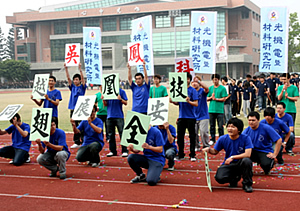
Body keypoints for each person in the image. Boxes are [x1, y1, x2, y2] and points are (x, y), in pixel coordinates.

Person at [203, 118, 253, 193]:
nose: (230, 129)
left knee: (247, 161)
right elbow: (215, 151)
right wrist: (209, 149)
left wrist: (232, 157)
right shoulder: (223, 138)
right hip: (229, 163)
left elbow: (248, 154)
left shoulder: (246, 138)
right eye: (228, 126)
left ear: (239, 130)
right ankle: (234, 179)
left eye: (233, 127)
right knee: (219, 178)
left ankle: (247, 184)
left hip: (240, 162)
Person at [170, 72, 198, 161]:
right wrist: (172, 101)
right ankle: (181, 154)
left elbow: (196, 104)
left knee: (192, 137)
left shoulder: (193, 90)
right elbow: (177, 103)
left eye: (188, 79)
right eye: (184, 79)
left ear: (189, 80)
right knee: (180, 137)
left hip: (191, 117)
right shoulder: (179, 89)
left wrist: (189, 101)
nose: (186, 80)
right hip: (181, 116)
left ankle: (192, 154)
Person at [65, 63, 86, 149]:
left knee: (82, 125)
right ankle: (77, 141)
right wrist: (66, 69)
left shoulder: (82, 87)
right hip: (73, 108)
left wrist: (80, 69)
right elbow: (68, 79)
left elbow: (83, 80)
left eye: (77, 79)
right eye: (74, 79)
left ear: (80, 80)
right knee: (74, 125)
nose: (75, 81)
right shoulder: (72, 87)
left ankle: (84, 141)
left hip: (80, 108)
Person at [103, 87, 128, 157]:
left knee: (122, 133)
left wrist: (120, 99)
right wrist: (103, 99)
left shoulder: (121, 91)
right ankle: (112, 151)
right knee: (110, 135)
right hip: (109, 116)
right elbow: (105, 104)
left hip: (119, 115)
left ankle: (125, 150)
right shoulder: (107, 91)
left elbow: (126, 102)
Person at [207, 74, 228, 145]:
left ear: (218, 80)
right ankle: (212, 139)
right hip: (211, 110)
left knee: (220, 126)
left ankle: (221, 139)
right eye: (213, 80)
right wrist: (210, 98)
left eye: (216, 79)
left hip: (219, 110)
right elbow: (206, 98)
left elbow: (224, 98)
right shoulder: (210, 88)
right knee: (212, 126)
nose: (214, 81)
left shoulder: (222, 88)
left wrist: (216, 99)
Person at [191, 76, 210, 151]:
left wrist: (199, 81)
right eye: (193, 82)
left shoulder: (202, 91)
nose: (194, 83)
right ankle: (196, 146)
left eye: (196, 82)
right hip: (193, 115)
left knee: (203, 131)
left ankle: (206, 145)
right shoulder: (191, 91)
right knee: (194, 132)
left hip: (203, 115)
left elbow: (207, 88)